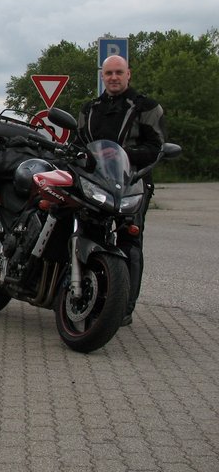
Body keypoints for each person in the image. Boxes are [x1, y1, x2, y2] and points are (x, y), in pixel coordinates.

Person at [77, 54, 165, 326]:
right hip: (95, 183)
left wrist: (124, 154)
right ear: (102, 76)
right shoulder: (90, 109)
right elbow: (78, 143)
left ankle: (124, 307)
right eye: (109, 73)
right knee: (88, 236)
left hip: (133, 183)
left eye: (118, 72)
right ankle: (90, 299)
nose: (113, 77)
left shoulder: (147, 107)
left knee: (130, 243)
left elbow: (157, 147)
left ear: (129, 74)